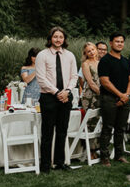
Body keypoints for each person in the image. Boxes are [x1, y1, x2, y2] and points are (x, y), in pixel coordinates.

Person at [34, 26, 79, 172]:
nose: (58, 39)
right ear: (50, 38)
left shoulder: (70, 55)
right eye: (55, 37)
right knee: (47, 133)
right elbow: (41, 78)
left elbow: (74, 76)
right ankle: (45, 165)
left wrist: (66, 91)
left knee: (62, 131)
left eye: (61, 37)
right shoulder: (43, 55)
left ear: (64, 39)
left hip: (66, 96)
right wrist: (57, 92)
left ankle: (60, 162)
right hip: (48, 97)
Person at [97, 33, 130, 165]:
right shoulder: (105, 60)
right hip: (109, 98)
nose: (120, 44)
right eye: (117, 41)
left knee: (121, 128)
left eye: (122, 41)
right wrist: (120, 95)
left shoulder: (125, 61)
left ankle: (119, 155)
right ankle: (104, 157)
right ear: (111, 43)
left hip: (124, 99)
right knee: (107, 127)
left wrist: (126, 95)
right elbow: (104, 81)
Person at [79, 42, 100, 111]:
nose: (91, 52)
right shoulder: (85, 64)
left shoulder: (100, 62)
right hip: (90, 94)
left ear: (96, 50)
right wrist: (101, 94)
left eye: (93, 49)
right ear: (85, 54)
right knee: (91, 120)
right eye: (89, 51)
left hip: (101, 93)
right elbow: (90, 82)